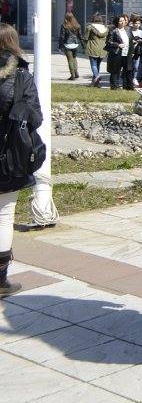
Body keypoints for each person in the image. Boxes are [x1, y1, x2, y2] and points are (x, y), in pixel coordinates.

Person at [0, 24, 44, 298]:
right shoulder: (20, 76)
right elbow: (35, 117)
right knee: (4, 214)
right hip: (9, 155)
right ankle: (0, 280)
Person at [106, 14, 134, 90]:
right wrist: (118, 44)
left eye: (123, 20)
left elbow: (131, 40)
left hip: (127, 53)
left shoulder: (128, 30)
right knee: (115, 71)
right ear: (117, 22)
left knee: (128, 70)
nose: (122, 22)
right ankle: (114, 87)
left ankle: (129, 87)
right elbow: (108, 42)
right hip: (117, 53)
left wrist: (132, 51)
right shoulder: (114, 31)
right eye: (120, 21)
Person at [84, 13, 109, 86]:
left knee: (93, 65)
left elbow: (85, 37)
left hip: (93, 47)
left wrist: (85, 45)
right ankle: (94, 82)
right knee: (98, 65)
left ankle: (97, 76)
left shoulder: (90, 27)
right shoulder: (105, 28)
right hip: (103, 49)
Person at [58, 12, 83, 81]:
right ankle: (76, 72)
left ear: (66, 18)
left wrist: (60, 46)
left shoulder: (64, 25)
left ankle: (72, 75)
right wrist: (83, 45)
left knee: (70, 60)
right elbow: (80, 36)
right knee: (74, 58)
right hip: (75, 44)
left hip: (67, 44)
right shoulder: (77, 25)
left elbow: (62, 37)